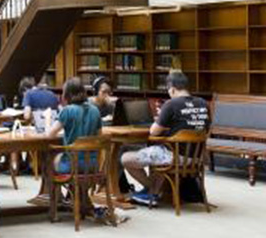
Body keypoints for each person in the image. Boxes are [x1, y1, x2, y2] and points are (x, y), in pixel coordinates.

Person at [121, 70, 210, 206]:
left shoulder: (171, 105)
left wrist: (163, 115)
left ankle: (153, 190)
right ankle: (155, 190)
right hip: (197, 158)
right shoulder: (204, 104)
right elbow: (204, 129)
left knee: (125, 158)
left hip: (174, 157)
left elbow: (154, 132)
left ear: (172, 89)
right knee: (159, 151)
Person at [48, 77, 102, 174]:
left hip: (72, 165)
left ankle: (56, 189)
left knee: (52, 160)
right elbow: (99, 136)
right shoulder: (95, 110)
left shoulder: (67, 111)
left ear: (66, 95)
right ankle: (80, 188)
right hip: (93, 164)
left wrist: (48, 120)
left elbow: (50, 134)